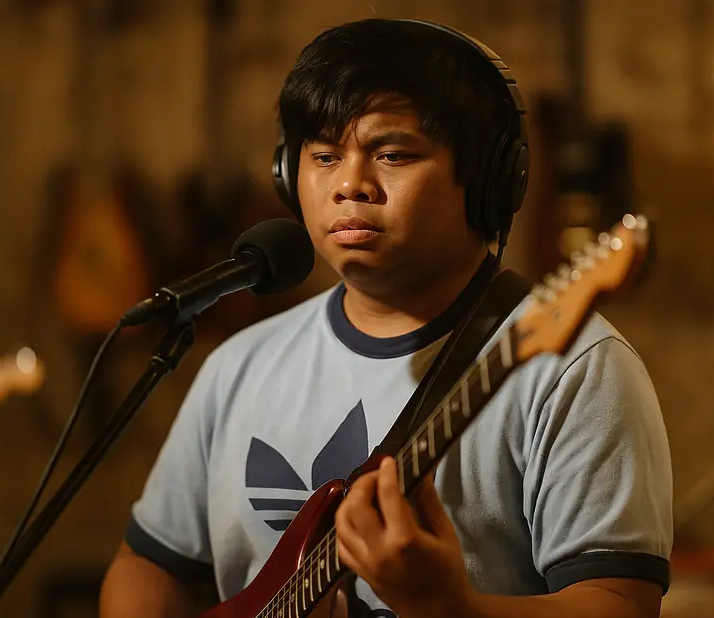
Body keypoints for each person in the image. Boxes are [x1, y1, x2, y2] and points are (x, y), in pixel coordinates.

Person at [99, 18, 673, 618]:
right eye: (323, 156)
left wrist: (452, 609)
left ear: (487, 181)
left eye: (392, 155)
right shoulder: (239, 365)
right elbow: (148, 565)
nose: (350, 184)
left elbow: (618, 605)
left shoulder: (571, 367)